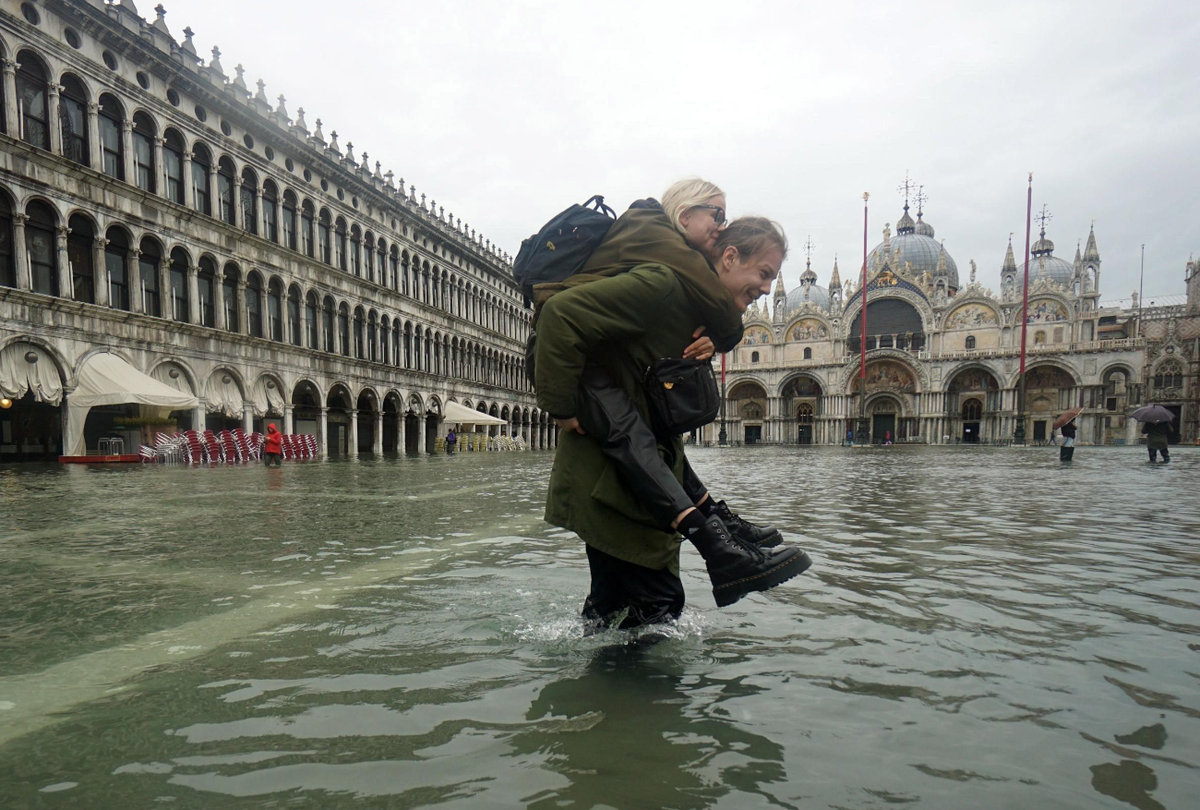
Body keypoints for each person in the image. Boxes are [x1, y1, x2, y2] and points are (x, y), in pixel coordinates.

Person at [536, 197, 812, 630]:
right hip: (616, 482)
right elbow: (558, 315)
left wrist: (719, 338)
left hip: (631, 479)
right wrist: (560, 407)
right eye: (763, 274)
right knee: (655, 610)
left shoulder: (696, 311)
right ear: (728, 256)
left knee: (613, 612)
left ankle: (723, 536)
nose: (765, 288)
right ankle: (719, 549)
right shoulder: (663, 286)